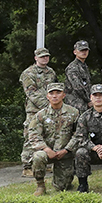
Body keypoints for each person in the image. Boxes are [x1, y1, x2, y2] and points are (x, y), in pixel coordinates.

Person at [25, 82, 79, 195]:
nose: (55, 96)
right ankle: (40, 185)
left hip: (65, 153)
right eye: (51, 93)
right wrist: (46, 149)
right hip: (47, 152)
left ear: (63, 95)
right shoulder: (40, 115)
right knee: (38, 157)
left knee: (63, 187)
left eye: (58, 93)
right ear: (47, 96)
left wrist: (66, 150)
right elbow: (33, 134)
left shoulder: (74, 113)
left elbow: (78, 134)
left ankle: (63, 180)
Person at [19, 47, 57, 176]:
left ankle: (42, 163)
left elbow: (54, 89)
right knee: (32, 137)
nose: (45, 58)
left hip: (49, 109)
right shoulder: (28, 73)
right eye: (42, 57)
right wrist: (47, 105)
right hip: (34, 110)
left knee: (48, 135)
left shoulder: (51, 72)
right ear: (36, 58)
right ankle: (27, 166)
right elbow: (31, 93)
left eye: (46, 56)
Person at [64, 41, 92, 113]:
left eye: (85, 50)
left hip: (84, 104)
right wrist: (90, 100)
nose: (84, 52)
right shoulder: (72, 67)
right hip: (75, 104)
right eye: (81, 50)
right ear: (75, 52)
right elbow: (78, 87)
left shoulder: (84, 66)